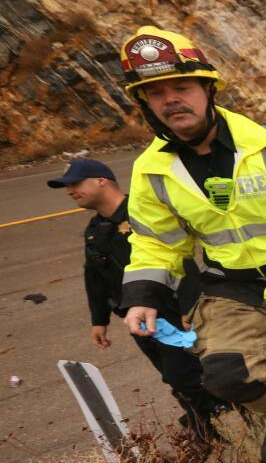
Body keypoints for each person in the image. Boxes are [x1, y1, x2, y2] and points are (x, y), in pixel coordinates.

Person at [118, 27, 266, 463]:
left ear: (208, 90)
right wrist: (142, 297)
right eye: (155, 93)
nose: (171, 99)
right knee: (226, 374)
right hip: (231, 287)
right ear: (145, 104)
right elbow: (155, 243)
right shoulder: (150, 172)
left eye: (182, 87)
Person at [48, 157, 224, 440]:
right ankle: (207, 416)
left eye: (75, 183)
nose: (70, 191)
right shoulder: (96, 230)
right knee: (172, 375)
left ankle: (204, 425)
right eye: (66, 186)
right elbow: (95, 277)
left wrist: (189, 306)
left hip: (170, 310)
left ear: (101, 180)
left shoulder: (143, 212)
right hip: (137, 319)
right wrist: (98, 321)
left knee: (185, 375)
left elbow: (182, 258)